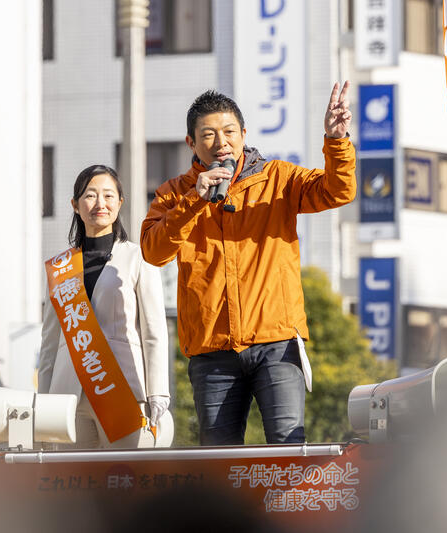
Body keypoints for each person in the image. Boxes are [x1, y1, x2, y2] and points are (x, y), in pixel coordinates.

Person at [140, 82, 355, 445]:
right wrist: (195, 199)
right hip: (211, 352)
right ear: (191, 143)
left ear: (243, 134)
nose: (220, 142)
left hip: (276, 342)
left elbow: (338, 191)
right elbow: (153, 251)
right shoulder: (174, 194)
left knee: (287, 448)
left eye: (228, 132)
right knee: (219, 464)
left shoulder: (279, 179)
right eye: (208, 134)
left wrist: (336, 140)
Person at [38, 165, 170, 448]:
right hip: (68, 397)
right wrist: (44, 401)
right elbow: (49, 343)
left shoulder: (139, 257)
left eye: (109, 196)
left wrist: (158, 390)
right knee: (72, 484)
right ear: (75, 205)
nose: (100, 204)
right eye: (90, 196)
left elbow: (154, 331)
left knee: (124, 480)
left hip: (123, 390)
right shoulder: (61, 267)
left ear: (119, 203)